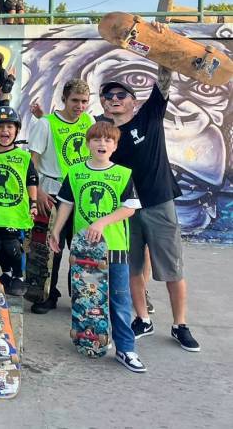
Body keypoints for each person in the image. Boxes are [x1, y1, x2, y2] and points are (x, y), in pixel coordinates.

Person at [99, 66, 200, 352]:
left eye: (121, 94)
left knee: (171, 268)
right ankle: (143, 319)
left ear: (134, 101)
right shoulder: (104, 134)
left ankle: (180, 325)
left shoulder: (150, 115)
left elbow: (165, 79)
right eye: (109, 95)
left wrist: (163, 50)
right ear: (103, 103)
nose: (115, 98)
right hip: (124, 209)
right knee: (132, 267)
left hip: (158, 202)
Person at [49, 121, 147, 373]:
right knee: (86, 298)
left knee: (118, 300)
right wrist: (56, 231)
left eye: (108, 140)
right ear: (88, 143)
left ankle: (126, 349)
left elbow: (129, 208)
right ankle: (90, 338)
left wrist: (102, 222)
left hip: (114, 248)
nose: (102, 144)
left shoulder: (122, 174)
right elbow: (67, 204)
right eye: (96, 139)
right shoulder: (76, 172)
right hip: (85, 250)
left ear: (114, 146)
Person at [27, 79, 94, 313]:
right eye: (75, 100)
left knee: (80, 250)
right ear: (64, 99)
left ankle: (80, 296)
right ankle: (47, 294)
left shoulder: (89, 121)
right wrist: (39, 191)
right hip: (53, 194)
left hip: (80, 195)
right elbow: (32, 162)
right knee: (49, 250)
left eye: (84, 101)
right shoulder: (45, 124)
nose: (80, 105)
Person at [0, 106, 38, 295]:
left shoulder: (23, 155)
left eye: (9, 127)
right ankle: (6, 273)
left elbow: (31, 180)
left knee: (12, 245)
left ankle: (19, 277)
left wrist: (34, 203)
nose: (5, 131)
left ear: (17, 130)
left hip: (16, 211)